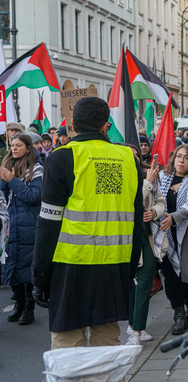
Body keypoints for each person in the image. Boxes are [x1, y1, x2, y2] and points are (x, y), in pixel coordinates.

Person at [31, 96, 144, 349]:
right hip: (114, 264)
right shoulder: (128, 158)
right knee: (107, 342)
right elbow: (137, 220)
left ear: (72, 124)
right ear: (106, 125)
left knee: (68, 343)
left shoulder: (61, 157)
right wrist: (130, 271)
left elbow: (48, 223)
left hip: (70, 265)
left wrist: (39, 275)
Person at [153, 144, 188, 335]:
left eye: (186, 158)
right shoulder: (161, 179)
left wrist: (173, 218)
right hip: (164, 235)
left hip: (186, 235)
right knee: (171, 275)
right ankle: (179, 314)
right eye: (178, 156)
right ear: (173, 158)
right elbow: (153, 201)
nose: (181, 161)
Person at [1, 133, 43, 325]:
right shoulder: (8, 164)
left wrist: (12, 180)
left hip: (29, 224)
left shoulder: (37, 169)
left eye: (18, 145)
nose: (14, 149)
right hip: (10, 224)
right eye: (12, 145)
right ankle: (18, 303)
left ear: (28, 147)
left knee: (27, 267)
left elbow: (33, 196)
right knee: (12, 265)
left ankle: (28, 307)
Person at [126, 145, 165, 345]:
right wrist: (147, 183)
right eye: (128, 155)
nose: (133, 159)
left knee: (144, 284)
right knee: (132, 285)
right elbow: (131, 205)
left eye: (136, 155)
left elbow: (160, 201)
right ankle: (133, 326)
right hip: (127, 238)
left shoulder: (149, 173)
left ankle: (138, 331)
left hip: (148, 236)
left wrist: (155, 213)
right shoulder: (122, 176)